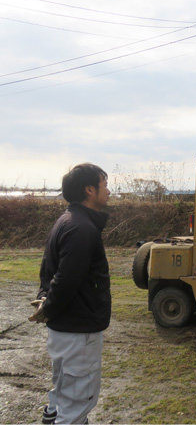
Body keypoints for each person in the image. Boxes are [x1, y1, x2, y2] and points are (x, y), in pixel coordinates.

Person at [29, 163, 111, 424]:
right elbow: (66, 279)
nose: (108, 191)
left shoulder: (68, 221)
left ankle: (53, 415)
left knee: (64, 391)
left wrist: (46, 304)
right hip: (78, 331)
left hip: (66, 329)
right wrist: (49, 307)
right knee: (77, 401)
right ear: (89, 190)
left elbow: (48, 271)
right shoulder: (81, 228)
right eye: (104, 185)